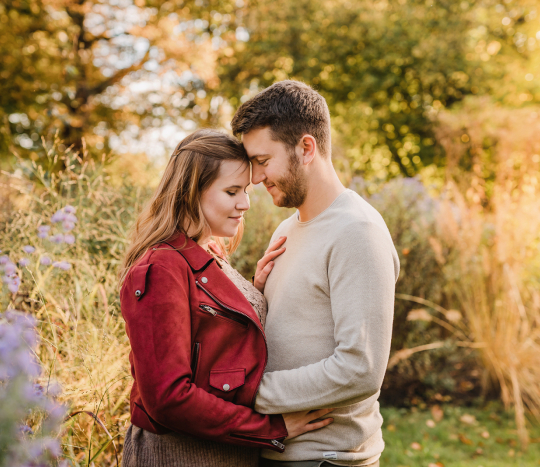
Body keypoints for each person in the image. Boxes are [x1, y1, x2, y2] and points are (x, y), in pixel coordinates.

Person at [118, 128, 334, 467]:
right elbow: (168, 398)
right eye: (232, 191)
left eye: (245, 190)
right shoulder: (161, 267)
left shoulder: (209, 252)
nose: (245, 203)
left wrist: (254, 292)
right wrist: (270, 429)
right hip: (180, 455)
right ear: (192, 192)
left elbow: (212, 339)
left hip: (228, 451)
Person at [231, 80, 401, 467]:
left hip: (326, 459)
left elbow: (360, 369)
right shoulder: (287, 228)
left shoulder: (357, 232)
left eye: (262, 160)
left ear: (306, 148)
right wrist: (257, 294)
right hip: (277, 450)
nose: (255, 178)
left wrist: (247, 394)